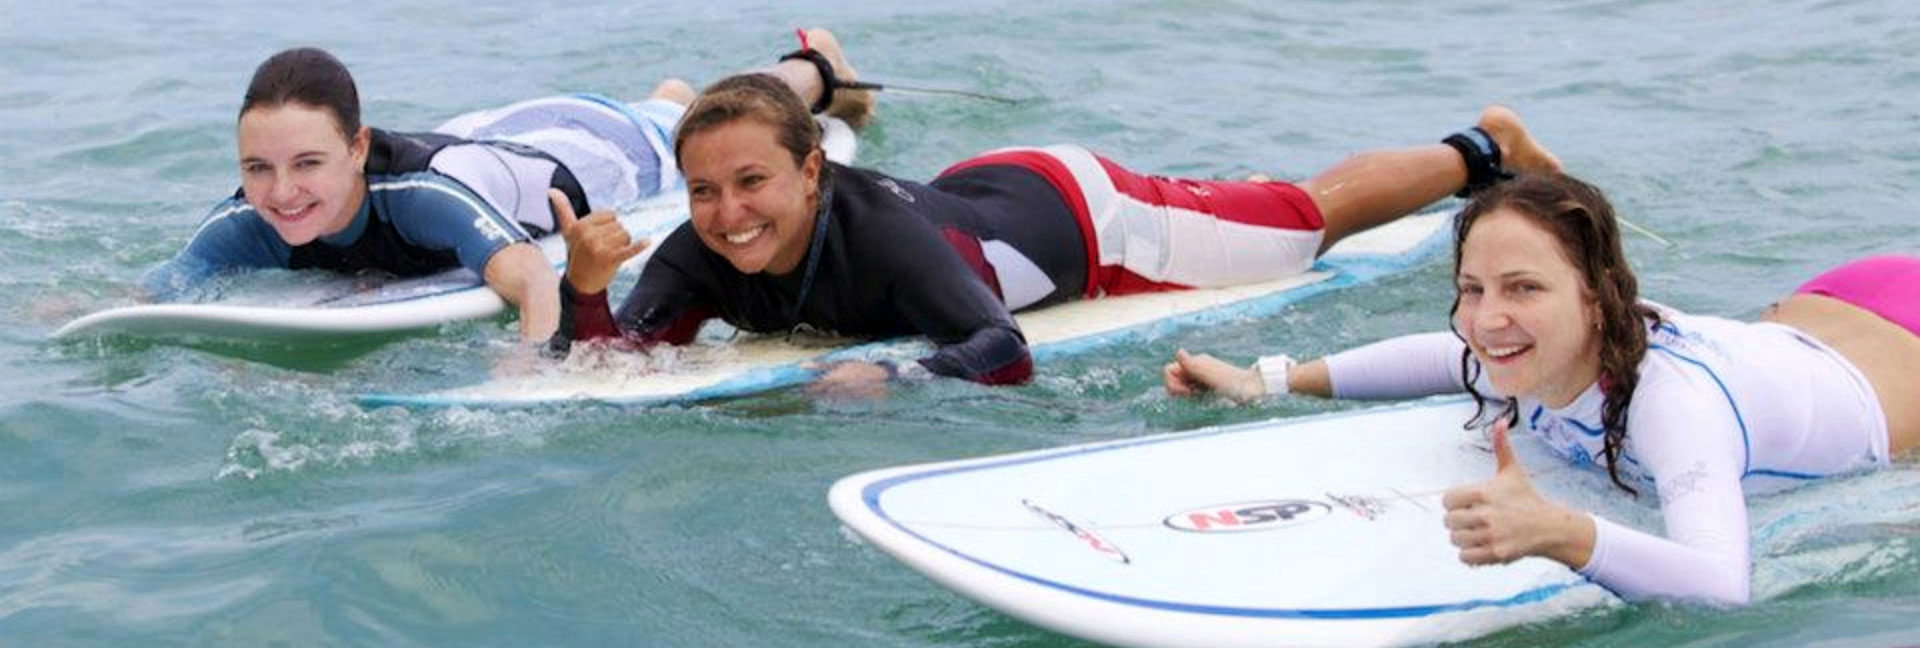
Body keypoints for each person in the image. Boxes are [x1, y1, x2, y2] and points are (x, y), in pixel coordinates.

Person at [551, 30, 1564, 391]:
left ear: (813, 170)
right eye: (704, 189)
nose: (727, 214)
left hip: (1086, 214)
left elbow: (1002, 348)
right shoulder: (694, 250)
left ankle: (1479, 150)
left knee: (1302, 220)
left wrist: (896, 377)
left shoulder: (889, 245)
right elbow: (610, 364)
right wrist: (585, 291)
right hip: (979, 192)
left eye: (753, 182)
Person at [1163, 172, 1920, 605]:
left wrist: (1562, 532)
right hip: (1828, 302)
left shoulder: (1672, 411)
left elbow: (1723, 583)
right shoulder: (1522, 344)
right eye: (1472, 288)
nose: (1488, 319)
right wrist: (1268, 382)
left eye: (1523, 288)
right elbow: (1442, 354)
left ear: (1596, 296)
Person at [142, 38, 873, 341]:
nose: (280, 192)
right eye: (257, 169)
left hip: (580, 149)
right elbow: (166, 289)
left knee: (713, 122)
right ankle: (661, 94)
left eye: (307, 164)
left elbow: (530, 277)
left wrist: (525, 366)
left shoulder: (419, 199)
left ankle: (813, 67)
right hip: (482, 137)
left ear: (356, 149)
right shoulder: (248, 217)